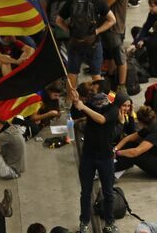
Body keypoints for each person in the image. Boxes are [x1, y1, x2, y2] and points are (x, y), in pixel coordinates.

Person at [56, 0, 116, 98]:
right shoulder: (98, 2)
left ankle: (71, 102)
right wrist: (97, 31)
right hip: (93, 43)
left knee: (72, 73)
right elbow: (112, 20)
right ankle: (99, 101)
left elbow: (58, 21)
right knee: (96, 75)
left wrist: (69, 31)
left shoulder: (71, 2)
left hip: (74, 43)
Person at [70, 88, 119, 233]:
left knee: (108, 192)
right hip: (88, 156)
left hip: (105, 157)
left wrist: (84, 107)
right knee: (85, 192)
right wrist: (75, 102)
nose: (96, 106)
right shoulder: (90, 106)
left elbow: (101, 120)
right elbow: (75, 114)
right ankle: (84, 222)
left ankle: (109, 223)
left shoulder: (113, 110)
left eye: (99, 105)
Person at [113, 106, 157, 179]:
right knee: (131, 144)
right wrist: (115, 149)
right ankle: (117, 164)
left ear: (141, 122)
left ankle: (108, 169)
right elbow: (129, 138)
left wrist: (118, 153)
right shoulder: (151, 125)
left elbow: (135, 152)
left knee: (135, 155)